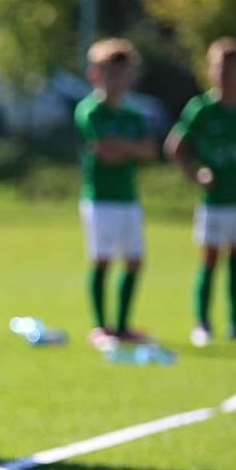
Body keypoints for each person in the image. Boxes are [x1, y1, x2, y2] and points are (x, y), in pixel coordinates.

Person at [166, 38, 236, 346]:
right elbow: (175, 146)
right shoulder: (201, 109)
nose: (228, 76)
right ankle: (203, 323)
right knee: (210, 260)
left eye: (234, 70)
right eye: (222, 70)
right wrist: (195, 174)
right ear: (211, 71)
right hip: (216, 200)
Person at [75, 38, 158, 350]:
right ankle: (101, 326)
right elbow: (105, 152)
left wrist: (123, 146)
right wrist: (129, 148)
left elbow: (149, 151)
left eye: (123, 73)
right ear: (96, 74)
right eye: (111, 73)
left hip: (129, 198)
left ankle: (122, 327)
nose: (117, 80)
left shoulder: (132, 114)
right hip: (100, 199)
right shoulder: (91, 110)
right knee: (102, 261)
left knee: (134, 261)